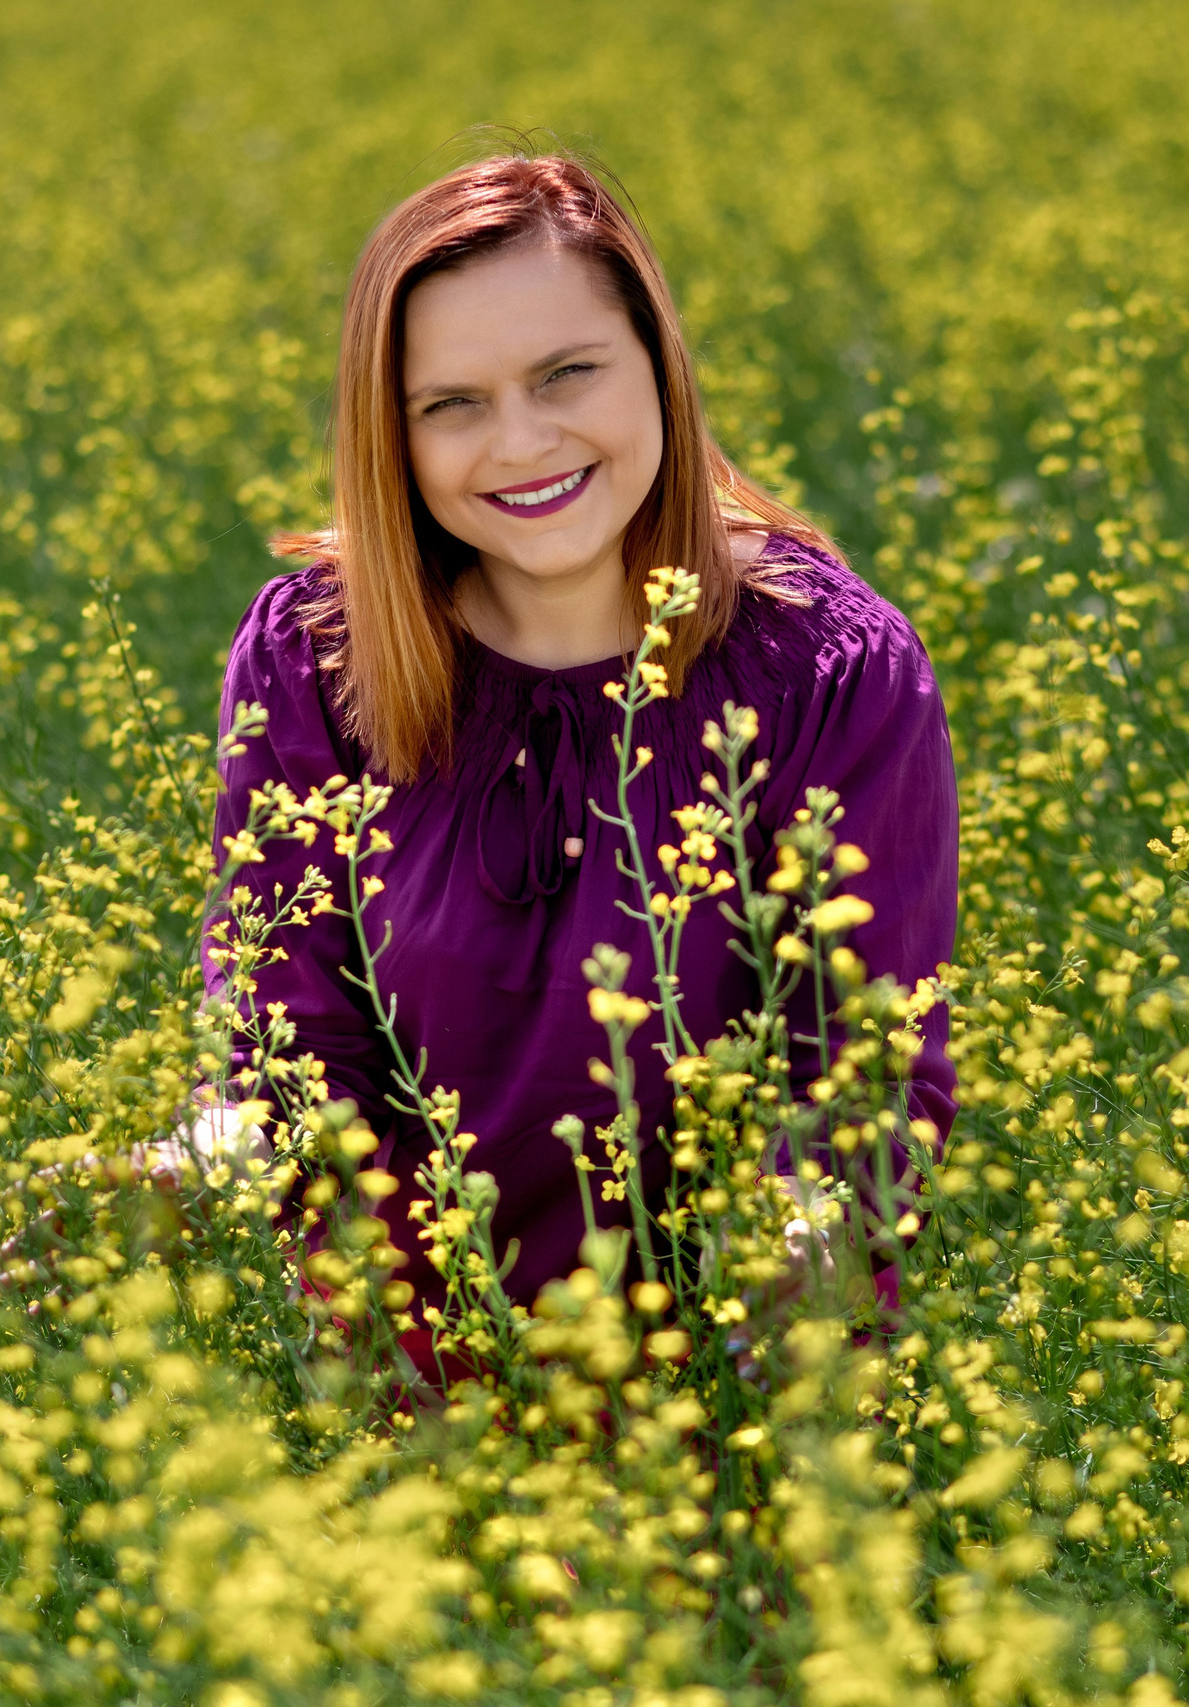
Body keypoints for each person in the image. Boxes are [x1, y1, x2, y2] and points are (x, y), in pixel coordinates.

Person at [204, 150, 960, 1356]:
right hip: (427, 1407)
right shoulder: (317, 660)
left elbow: (863, 1070)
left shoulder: (829, 669)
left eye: (567, 374)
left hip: (736, 1386)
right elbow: (287, 1051)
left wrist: (804, 1229)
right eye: (450, 404)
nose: (521, 442)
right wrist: (184, 1174)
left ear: (656, 365)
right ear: (389, 436)